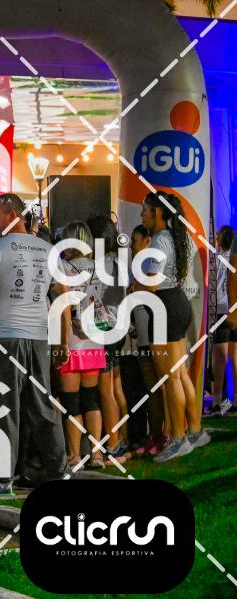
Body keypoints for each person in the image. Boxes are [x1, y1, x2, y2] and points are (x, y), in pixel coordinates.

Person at [0, 193, 65, 493]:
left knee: (4, 407)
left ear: (12, 216)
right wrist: (62, 341)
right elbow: (62, 298)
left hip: (5, 336)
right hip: (38, 337)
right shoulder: (48, 250)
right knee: (42, 405)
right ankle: (57, 470)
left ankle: (3, 477)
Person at [136, 192, 208, 462]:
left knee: (171, 378)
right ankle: (195, 432)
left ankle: (178, 439)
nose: (142, 214)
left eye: (145, 209)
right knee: (180, 374)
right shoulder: (175, 237)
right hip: (176, 304)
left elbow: (152, 284)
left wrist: (134, 288)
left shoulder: (159, 240)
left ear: (157, 212)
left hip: (165, 307)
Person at [53, 222, 106, 470]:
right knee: (91, 400)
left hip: (71, 340)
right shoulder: (98, 267)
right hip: (94, 340)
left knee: (71, 401)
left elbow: (62, 305)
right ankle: (96, 454)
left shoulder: (62, 268)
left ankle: (74, 456)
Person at [86, 214, 128, 458]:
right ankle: (121, 437)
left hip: (105, 329)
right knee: (115, 386)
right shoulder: (117, 260)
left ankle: (112, 443)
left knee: (105, 390)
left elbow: (96, 299)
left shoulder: (100, 264)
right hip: (118, 327)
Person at [128, 225, 167, 456]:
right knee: (151, 388)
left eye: (135, 240)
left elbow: (150, 292)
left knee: (159, 387)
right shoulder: (137, 265)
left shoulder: (149, 264)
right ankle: (155, 434)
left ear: (147, 241)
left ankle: (163, 433)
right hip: (143, 334)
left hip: (153, 334)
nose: (131, 245)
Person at [210, 225, 236, 416]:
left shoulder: (217, 259)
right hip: (233, 309)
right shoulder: (231, 257)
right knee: (234, 358)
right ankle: (234, 401)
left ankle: (217, 402)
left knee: (219, 359)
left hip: (221, 310)